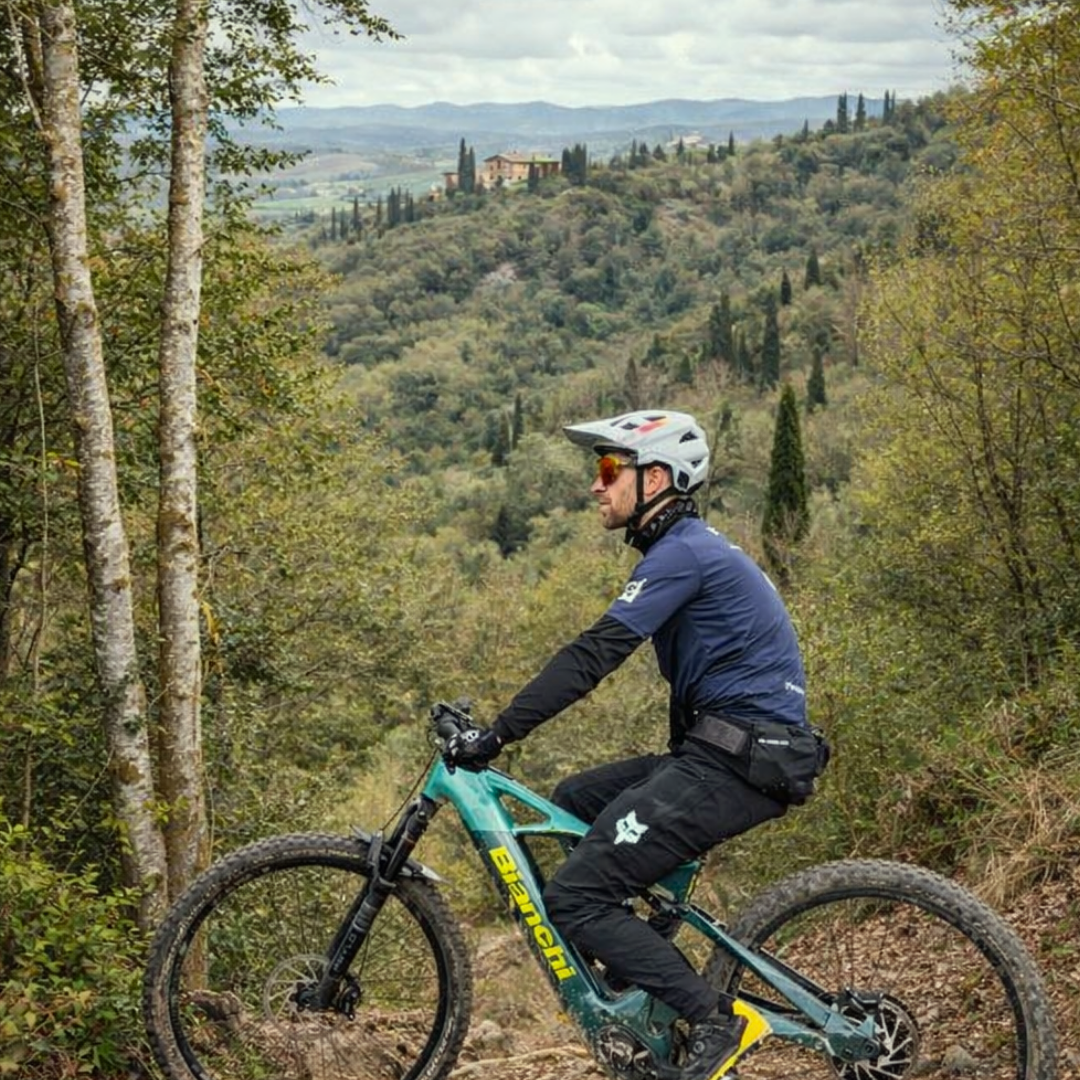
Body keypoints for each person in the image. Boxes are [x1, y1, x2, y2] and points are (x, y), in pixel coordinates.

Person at [446, 409, 821, 1080]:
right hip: (728, 751)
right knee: (574, 799)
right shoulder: (686, 549)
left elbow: (597, 653)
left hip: (741, 759)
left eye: (610, 469)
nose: (598, 485)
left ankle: (714, 1020)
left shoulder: (686, 552)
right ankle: (640, 985)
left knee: (574, 898)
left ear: (658, 478)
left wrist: (497, 734)